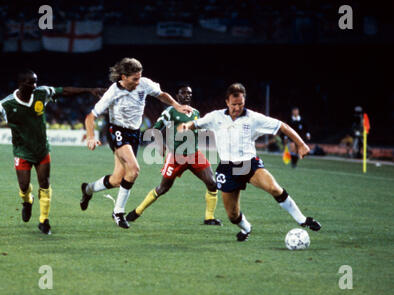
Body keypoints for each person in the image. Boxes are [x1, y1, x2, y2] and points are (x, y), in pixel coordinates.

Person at [180, 83, 321, 241]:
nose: (237, 108)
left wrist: (301, 144)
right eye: (234, 104)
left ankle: (302, 219)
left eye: (240, 104)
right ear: (227, 102)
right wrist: (187, 126)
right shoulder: (216, 117)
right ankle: (246, 228)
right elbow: (196, 124)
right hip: (227, 168)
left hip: (249, 164)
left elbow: (282, 126)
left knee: (274, 188)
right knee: (232, 215)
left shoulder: (253, 118)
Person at [80, 58, 192, 229]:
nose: (138, 82)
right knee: (134, 169)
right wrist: (90, 136)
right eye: (134, 79)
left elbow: (161, 94)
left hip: (133, 133)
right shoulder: (113, 92)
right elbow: (91, 116)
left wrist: (176, 105)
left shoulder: (144, 84)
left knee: (118, 179)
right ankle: (118, 213)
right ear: (123, 77)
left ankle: (88, 189)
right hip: (117, 130)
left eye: (139, 77)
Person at [0, 69, 104, 235]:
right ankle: (28, 201)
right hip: (22, 152)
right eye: (30, 82)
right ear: (21, 84)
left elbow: (64, 91)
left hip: (42, 150)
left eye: (35, 81)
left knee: (45, 184)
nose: (34, 85)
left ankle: (44, 220)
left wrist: (88, 90)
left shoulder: (42, 93)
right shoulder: (6, 104)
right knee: (24, 186)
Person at [126, 86, 221, 226]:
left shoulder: (195, 113)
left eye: (189, 93)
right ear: (177, 95)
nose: (187, 95)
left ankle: (209, 218)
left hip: (194, 154)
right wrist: (160, 144)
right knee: (163, 188)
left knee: (212, 183)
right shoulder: (170, 111)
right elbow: (157, 128)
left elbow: (200, 128)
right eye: (183, 93)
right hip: (176, 156)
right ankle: (137, 212)